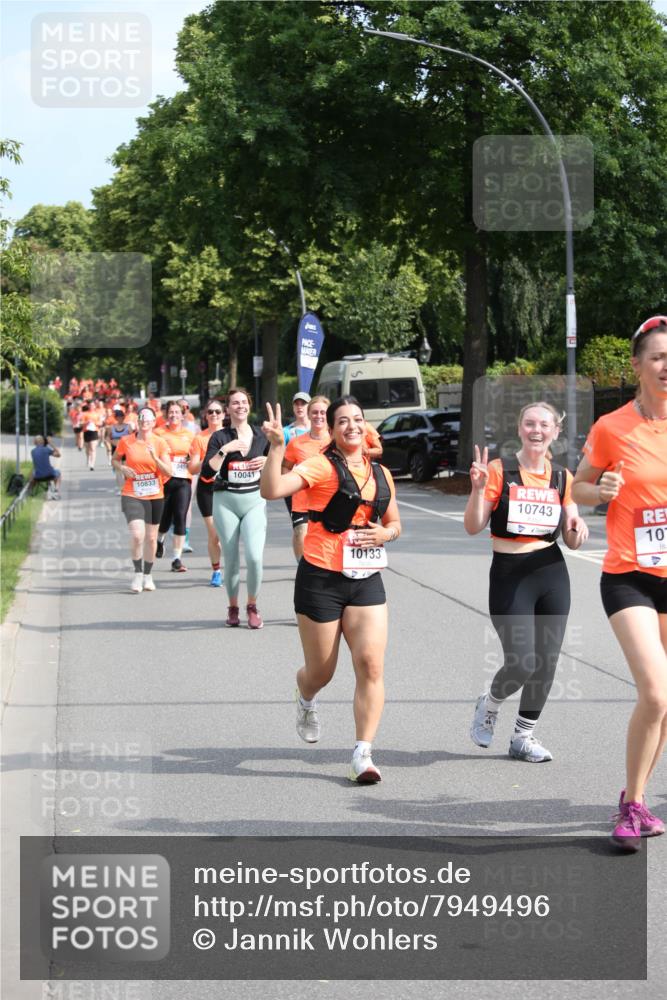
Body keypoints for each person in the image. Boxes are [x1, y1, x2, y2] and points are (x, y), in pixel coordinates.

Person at [261, 396, 402, 783]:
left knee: (371, 664)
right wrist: (275, 448)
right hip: (321, 577)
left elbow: (394, 524)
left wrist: (385, 533)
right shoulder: (320, 465)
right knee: (321, 672)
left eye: (358, 419)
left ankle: (363, 753)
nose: (352, 426)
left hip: (366, 578)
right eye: (343, 421)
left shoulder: (382, 474)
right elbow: (272, 490)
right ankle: (306, 696)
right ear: (334, 430)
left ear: (366, 426)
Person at [572, 315, 667, 850]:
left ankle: (637, 795)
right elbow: (579, 489)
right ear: (637, 366)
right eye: (657, 356)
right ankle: (631, 806)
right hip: (629, 574)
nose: (666, 365)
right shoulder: (612, 427)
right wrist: (600, 489)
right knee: (655, 691)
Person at [464, 402, 588, 763]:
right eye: (530, 423)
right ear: (519, 429)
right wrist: (477, 490)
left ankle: (523, 736)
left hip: (550, 571)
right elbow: (473, 527)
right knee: (521, 661)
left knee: (547, 661)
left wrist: (578, 530)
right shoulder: (500, 470)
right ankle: (490, 703)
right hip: (509, 573)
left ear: (555, 432)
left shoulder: (563, 477)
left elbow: (573, 535)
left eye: (544, 425)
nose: (537, 430)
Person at [203, 388, 269, 627]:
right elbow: (208, 471)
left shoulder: (262, 436)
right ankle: (232, 607)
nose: (240, 406)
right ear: (228, 409)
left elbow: (281, 464)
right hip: (226, 501)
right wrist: (225, 450)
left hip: (254, 500)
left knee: (254, 556)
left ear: (249, 406)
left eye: (244, 402)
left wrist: (269, 460)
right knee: (230, 559)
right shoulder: (220, 437)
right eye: (235, 403)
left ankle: (252, 605)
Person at [112, 407, 172, 593]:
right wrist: (122, 468)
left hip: (155, 495)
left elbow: (169, 472)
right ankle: (137, 574)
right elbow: (114, 459)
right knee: (138, 535)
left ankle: (148, 575)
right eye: (142, 419)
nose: (145, 422)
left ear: (154, 422)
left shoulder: (160, 443)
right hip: (132, 493)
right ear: (137, 422)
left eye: (149, 419)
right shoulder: (126, 441)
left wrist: (155, 457)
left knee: (152, 537)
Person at [282, 395, 330, 562]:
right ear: (309, 415)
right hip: (302, 500)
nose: (319, 416)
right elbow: (285, 466)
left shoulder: (336, 441)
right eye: (315, 412)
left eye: (323, 412)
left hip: (330, 500)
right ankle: (302, 567)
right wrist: (290, 483)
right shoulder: (296, 443)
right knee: (300, 533)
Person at [188, 399, 226, 586]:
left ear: (224, 415)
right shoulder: (199, 438)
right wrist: (210, 462)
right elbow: (193, 468)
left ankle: (232, 566)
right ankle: (217, 570)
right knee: (214, 534)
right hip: (207, 488)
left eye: (218, 412)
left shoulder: (232, 436)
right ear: (205, 415)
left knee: (229, 533)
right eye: (210, 412)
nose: (214, 415)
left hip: (228, 487)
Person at [154, 401, 195, 572]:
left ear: (182, 414)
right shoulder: (158, 433)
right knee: (164, 518)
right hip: (163, 480)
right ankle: (160, 540)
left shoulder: (189, 434)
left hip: (183, 480)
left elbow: (192, 455)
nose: (174, 415)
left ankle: (177, 558)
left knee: (180, 516)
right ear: (166, 414)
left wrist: (187, 460)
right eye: (171, 412)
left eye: (177, 412)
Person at [80, 402, 102, 470]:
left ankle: (92, 464)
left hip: (94, 431)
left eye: (93, 405)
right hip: (86, 431)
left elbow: (100, 423)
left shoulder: (97, 414)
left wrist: (95, 422)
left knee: (93, 448)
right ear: (89, 406)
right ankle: (88, 458)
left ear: (95, 406)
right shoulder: (85, 414)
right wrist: (87, 422)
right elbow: (81, 423)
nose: (92, 407)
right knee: (87, 448)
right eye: (91, 405)